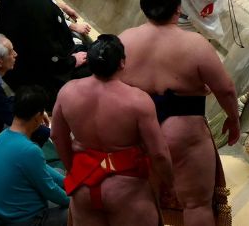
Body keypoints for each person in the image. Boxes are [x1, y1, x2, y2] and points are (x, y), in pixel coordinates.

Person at [120, 0, 239, 226]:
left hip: (138, 131)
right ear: (178, 9)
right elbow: (225, 90)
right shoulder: (194, 44)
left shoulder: (123, 41)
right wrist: (233, 119)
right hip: (183, 132)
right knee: (195, 204)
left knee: (143, 200)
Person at [52, 35, 174, 224]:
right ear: (122, 63)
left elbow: (57, 136)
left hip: (84, 184)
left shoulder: (68, 91)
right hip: (127, 190)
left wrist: (72, 169)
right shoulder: (138, 101)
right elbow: (158, 153)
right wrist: (168, 185)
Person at [0, 0, 85, 102]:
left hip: (9, 65)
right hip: (31, 76)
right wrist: (72, 61)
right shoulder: (47, 8)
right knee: (86, 64)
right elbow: (53, 53)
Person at [0, 85, 69, 225]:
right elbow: (50, 191)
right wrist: (77, 201)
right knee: (85, 212)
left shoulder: (2, 136)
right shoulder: (29, 150)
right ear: (38, 116)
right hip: (27, 220)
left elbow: (42, 167)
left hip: (5, 213)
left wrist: (69, 183)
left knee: (58, 173)